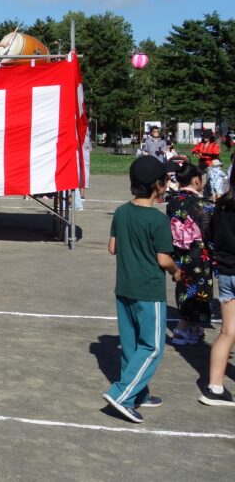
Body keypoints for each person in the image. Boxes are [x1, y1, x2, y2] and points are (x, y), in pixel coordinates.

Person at [102, 155, 181, 423]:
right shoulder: (158, 221)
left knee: (131, 345)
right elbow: (163, 259)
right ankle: (122, 394)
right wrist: (176, 271)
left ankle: (138, 393)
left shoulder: (122, 211)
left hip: (124, 288)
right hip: (148, 291)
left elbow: (112, 247)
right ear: (158, 186)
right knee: (152, 347)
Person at [166, 163, 215, 346]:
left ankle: (193, 327)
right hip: (200, 253)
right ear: (196, 180)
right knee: (200, 291)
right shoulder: (204, 204)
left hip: (180, 252)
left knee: (184, 288)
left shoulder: (173, 202)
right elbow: (210, 231)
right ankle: (182, 328)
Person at [202, 183, 235, 406]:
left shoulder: (222, 205)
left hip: (226, 273)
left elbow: (210, 235)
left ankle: (215, 387)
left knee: (227, 332)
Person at [192, 132, 221, 199]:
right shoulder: (200, 144)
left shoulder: (214, 145)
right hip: (201, 163)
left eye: (207, 136)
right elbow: (194, 151)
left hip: (210, 164)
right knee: (202, 179)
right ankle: (205, 194)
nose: (205, 138)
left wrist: (203, 154)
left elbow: (215, 154)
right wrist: (196, 154)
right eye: (204, 136)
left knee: (209, 180)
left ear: (210, 137)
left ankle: (210, 194)